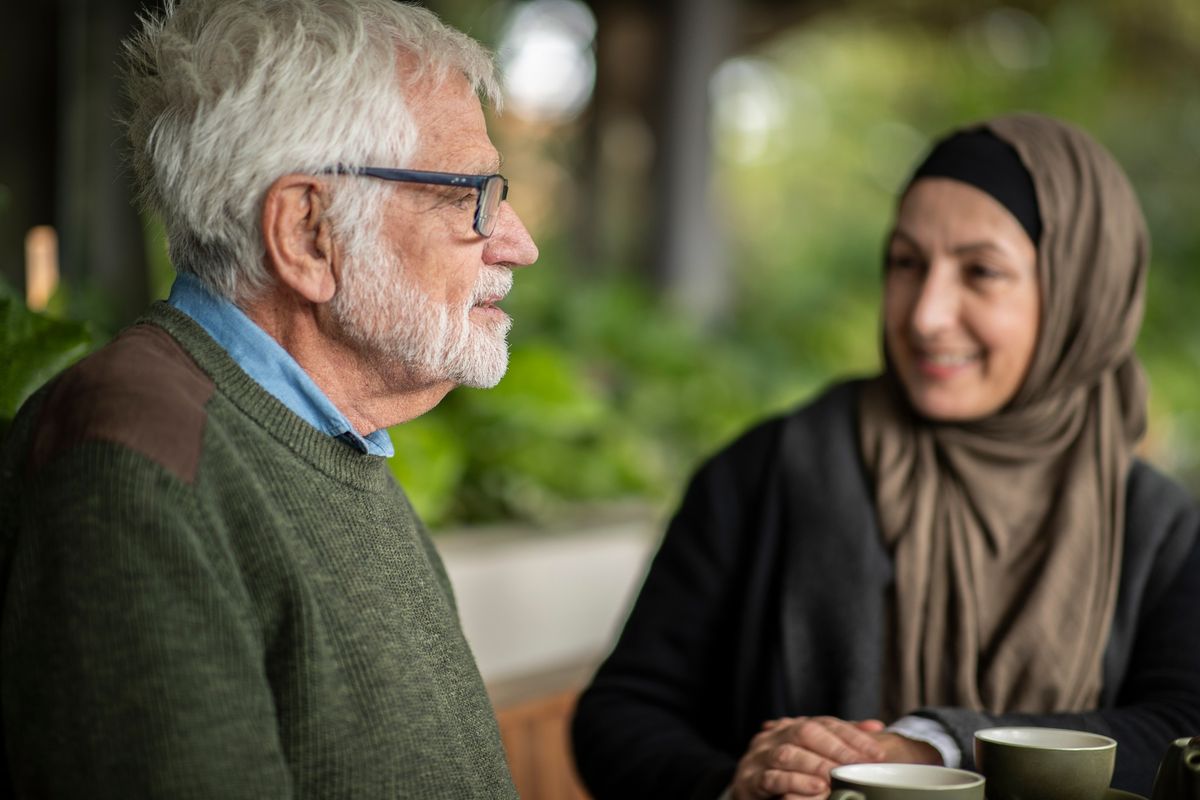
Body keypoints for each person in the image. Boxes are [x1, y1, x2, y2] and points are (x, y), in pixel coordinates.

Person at [571, 112, 1200, 800]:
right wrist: (736, 783)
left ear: (1082, 292)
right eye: (906, 263)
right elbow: (621, 713)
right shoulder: (768, 471)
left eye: (981, 272)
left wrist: (933, 750)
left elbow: (1183, 729)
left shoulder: (1159, 527)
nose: (926, 313)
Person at [0, 0, 538, 797]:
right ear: (306, 232)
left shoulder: (326, 439)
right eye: (473, 195)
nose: (519, 242)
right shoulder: (136, 471)